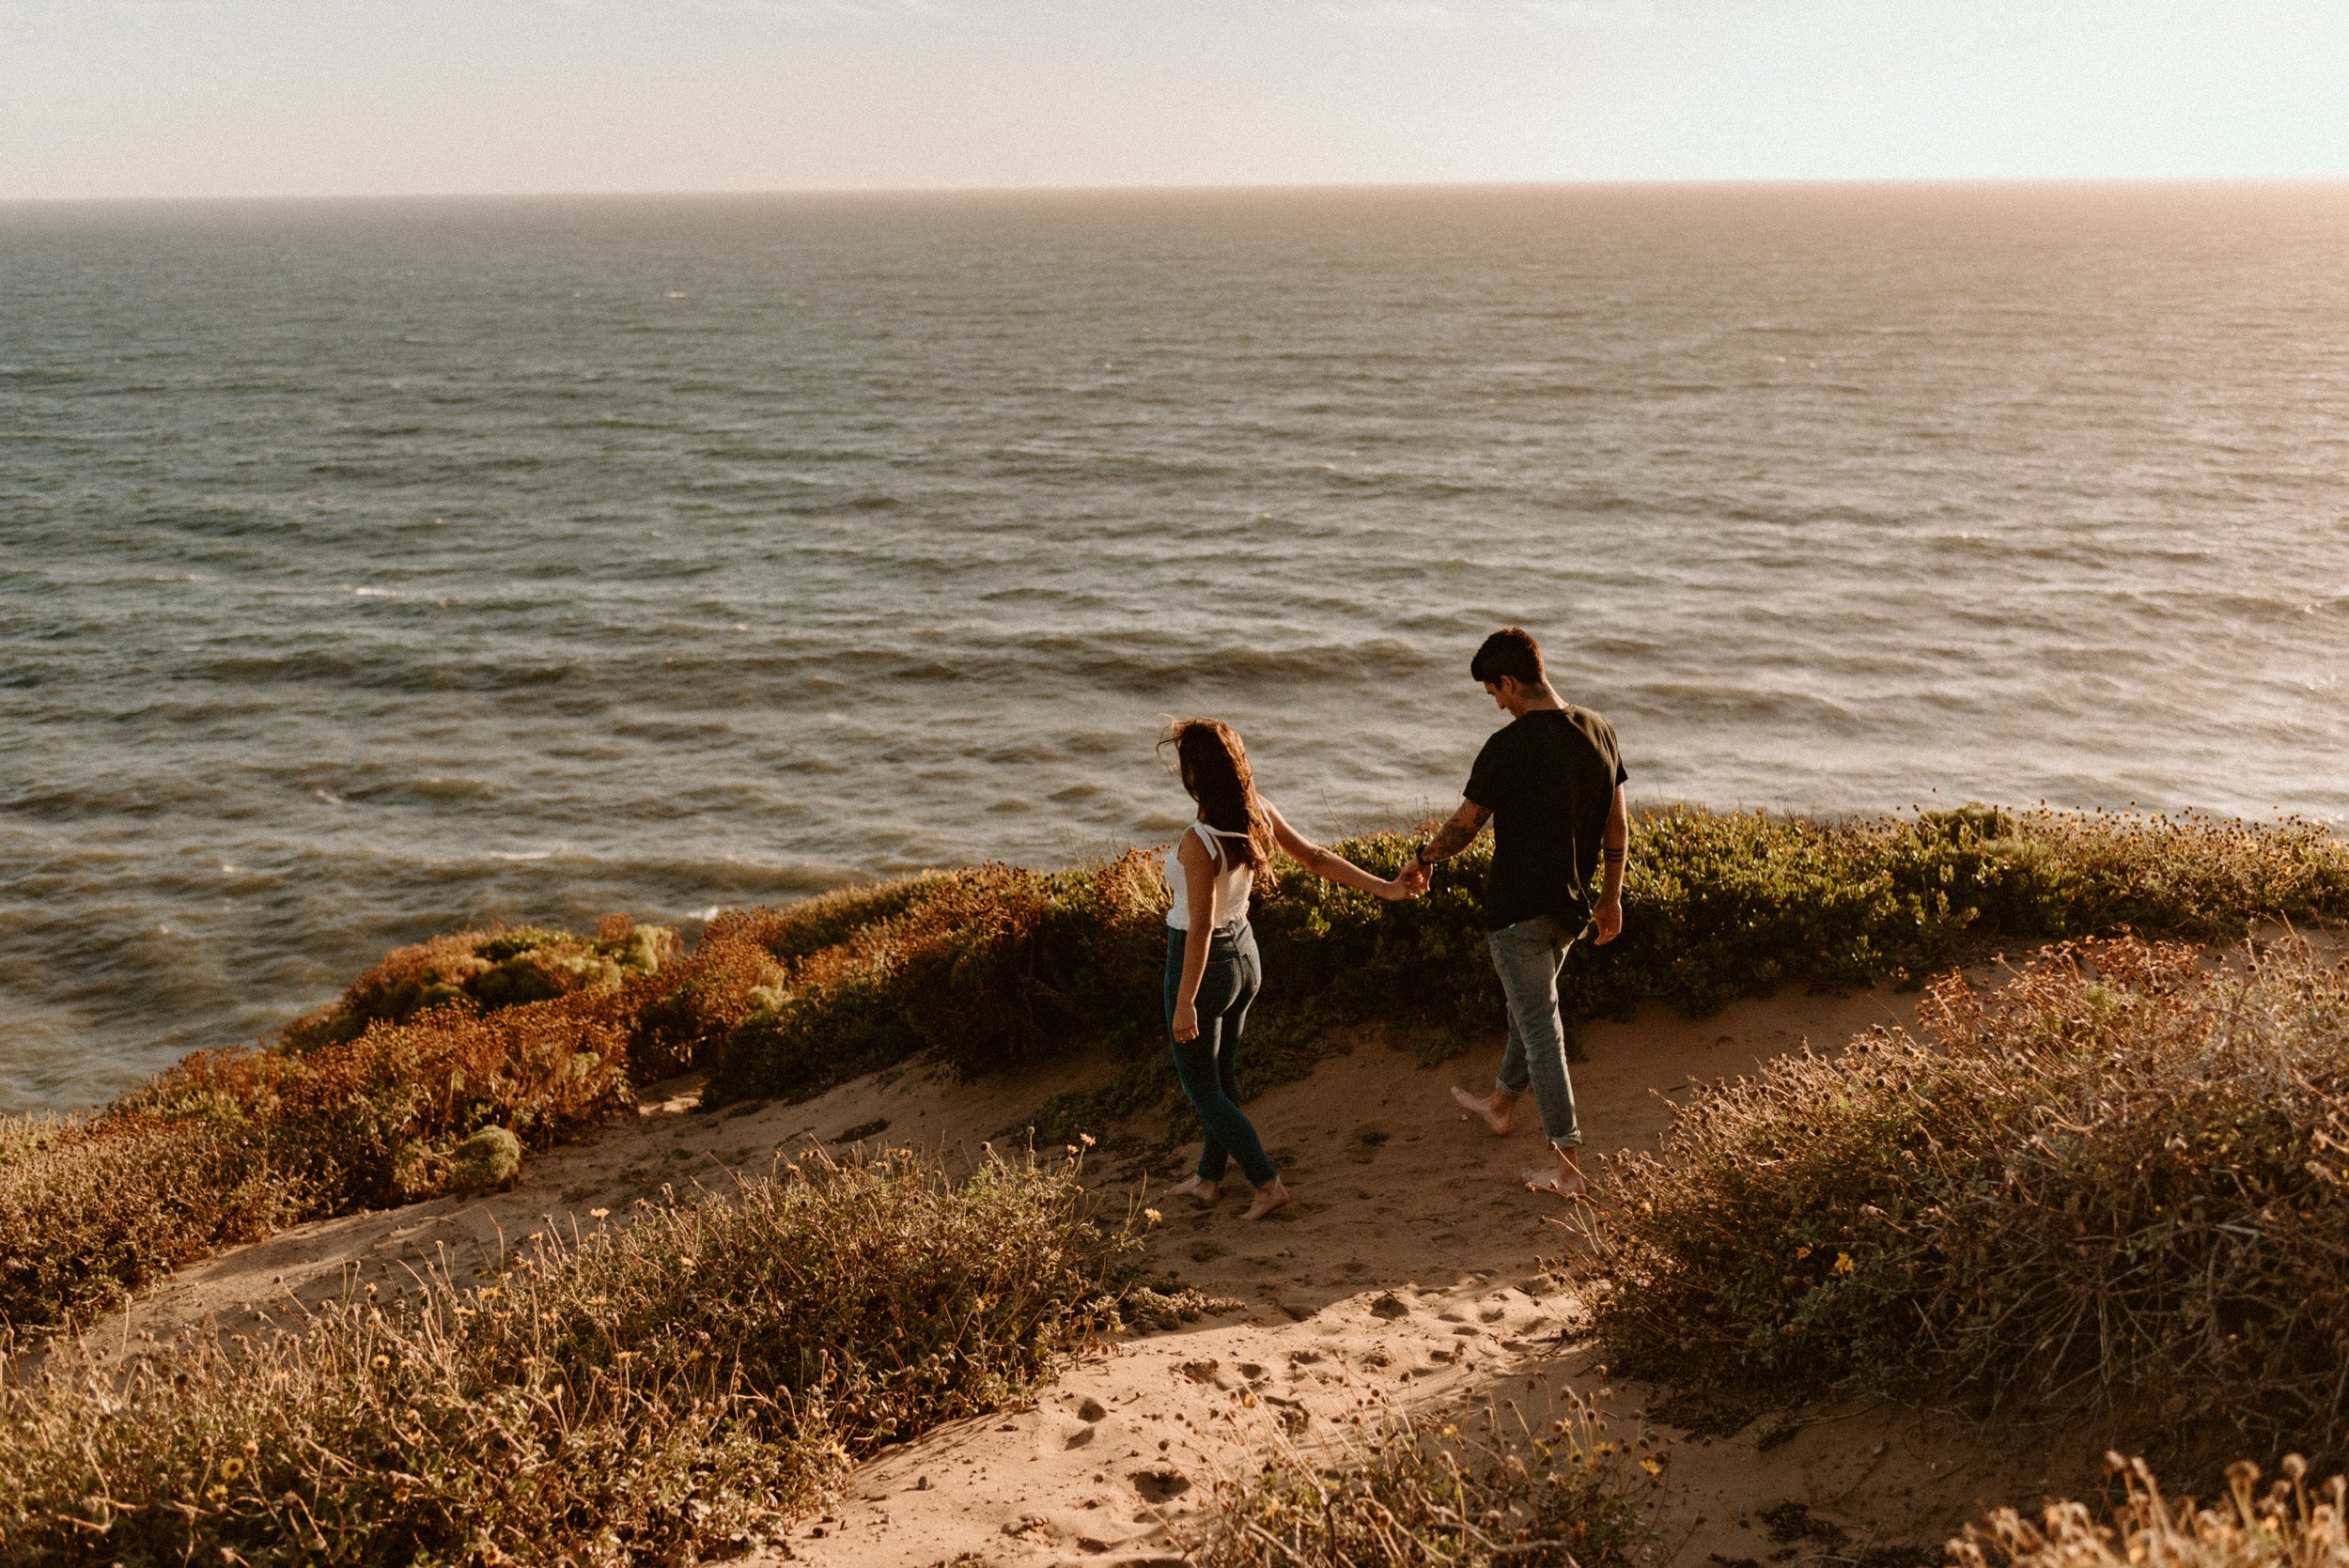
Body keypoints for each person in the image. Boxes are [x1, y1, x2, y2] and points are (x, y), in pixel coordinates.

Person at [1159, 717, 1420, 1221]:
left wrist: (1186, 999)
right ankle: (1209, 1179)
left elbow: (1199, 928)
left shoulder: (1199, 841)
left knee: (1202, 1088)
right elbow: (1318, 858)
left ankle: (1266, 1182)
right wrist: (1388, 888)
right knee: (1222, 1075)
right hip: (1245, 957)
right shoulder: (1257, 812)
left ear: (1196, 775)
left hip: (1203, 964)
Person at [1400, 628, 1628, 1201]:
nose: (1497, 703)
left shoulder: (1507, 747)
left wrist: (1423, 857)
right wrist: (1611, 897)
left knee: (1540, 1028)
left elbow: (1464, 827)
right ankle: (1501, 1104)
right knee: (1531, 1011)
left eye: (1494, 692)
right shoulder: (1600, 730)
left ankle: (1568, 1165)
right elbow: (1616, 828)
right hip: (1572, 909)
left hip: (1516, 914)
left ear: (1508, 681)